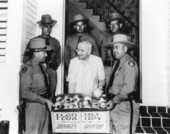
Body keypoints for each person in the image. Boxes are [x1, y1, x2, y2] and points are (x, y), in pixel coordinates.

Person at [106, 34, 139, 134]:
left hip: (124, 106)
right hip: (115, 105)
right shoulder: (118, 63)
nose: (114, 50)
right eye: (113, 48)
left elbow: (128, 88)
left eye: (117, 47)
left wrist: (114, 100)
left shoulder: (129, 64)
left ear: (125, 48)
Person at [20, 37, 54, 134]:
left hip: (44, 106)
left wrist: (47, 100)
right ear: (36, 53)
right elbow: (25, 93)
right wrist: (44, 100)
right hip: (33, 108)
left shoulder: (42, 67)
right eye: (44, 53)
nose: (46, 55)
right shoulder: (27, 69)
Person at [23, 14, 61, 100]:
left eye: (50, 27)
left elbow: (58, 60)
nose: (48, 29)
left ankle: (51, 99)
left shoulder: (55, 42)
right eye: (45, 27)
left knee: (53, 73)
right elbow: (25, 59)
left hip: (50, 70)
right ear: (41, 27)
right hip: (36, 69)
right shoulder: (34, 41)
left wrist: (50, 68)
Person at [101, 12, 126, 92]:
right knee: (107, 90)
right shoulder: (105, 40)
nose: (113, 26)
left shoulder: (125, 39)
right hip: (107, 68)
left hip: (120, 68)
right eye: (111, 24)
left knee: (119, 89)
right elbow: (102, 57)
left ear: (120, 25)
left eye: (115, 24)